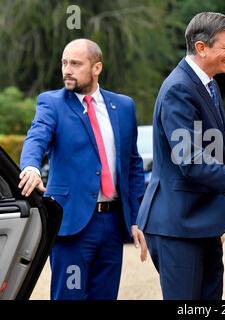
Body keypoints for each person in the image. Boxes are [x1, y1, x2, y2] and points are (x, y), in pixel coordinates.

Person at [136, 12, 225, 300]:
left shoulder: (208, 83)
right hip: (178, 227)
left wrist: (217, 214)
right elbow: (192, 161)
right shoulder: (179, 88)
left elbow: (218, 150)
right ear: (201, 47)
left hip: (201, 224)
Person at [19, 39, 147, 300]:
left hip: (112, 224)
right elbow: (36, 137)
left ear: (97, 67)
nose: (67, 69)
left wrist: (136, 219)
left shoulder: (123, 106)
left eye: (76, 64)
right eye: (64, 63)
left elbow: (132, 164)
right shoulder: (52, 103)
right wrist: (31, 166)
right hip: (72, 225)